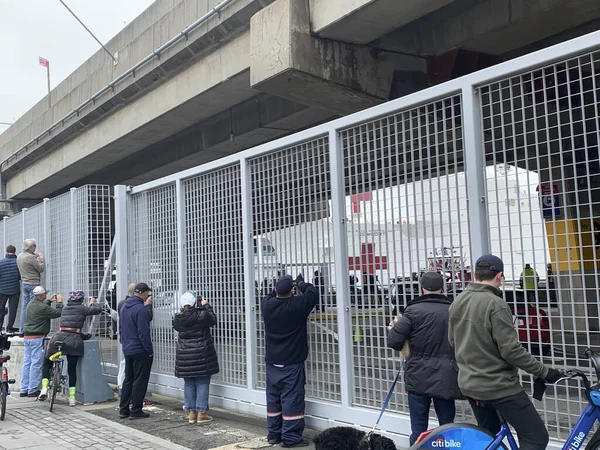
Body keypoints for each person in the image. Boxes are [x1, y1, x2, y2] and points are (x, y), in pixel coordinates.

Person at [448, 255, 563, 450]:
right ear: (500, 275)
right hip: (498, 386)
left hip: (470, 385)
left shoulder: (457, 301)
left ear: (475, 274)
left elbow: (452, 341)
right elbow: (512, 351)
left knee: (488, 436)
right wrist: (544, 372)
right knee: (536, 437)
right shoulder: (496, 305)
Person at [387, 271, 462, 445]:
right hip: (447, 376)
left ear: (421, 288)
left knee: (419, 430)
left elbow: (393, 340)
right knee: (447, 427)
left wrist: (395, 328)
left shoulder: (412, 311)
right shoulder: (453, 310)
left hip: (418, 376)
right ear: (442, 288)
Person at [261, 274, 319, 448]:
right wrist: (300, 283)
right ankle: (291, 437)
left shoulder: (267, 305)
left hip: (272, 362)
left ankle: (274, 434)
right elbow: (313, 293)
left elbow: (269, 295)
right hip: (292, 362)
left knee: (273, 399)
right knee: (292, 399)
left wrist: (280, 287)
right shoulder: (297, 306)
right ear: (292, 291)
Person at [38, 290, 101, 405]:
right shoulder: (83, 308)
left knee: (47, 361)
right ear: (81, 300)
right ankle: (72, 398)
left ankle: (44, 388)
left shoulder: (65, 308)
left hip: (59, 338)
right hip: (74, 341)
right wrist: (93, 302)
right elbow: (97, 310)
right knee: (72, 369)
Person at [173, 291, 219, 424]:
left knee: (189, 383)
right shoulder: (202, 315)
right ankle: (201, 413)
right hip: (202, 354)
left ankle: (191, 413)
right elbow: (213, 319)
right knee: (203, 382)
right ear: (195, 303)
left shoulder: (177, 318)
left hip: (185, 356)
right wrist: (206, 305)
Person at [119, 282, 153, 420]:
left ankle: (123, 409)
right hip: (140, 349)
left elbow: (121, 329)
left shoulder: (124, 307)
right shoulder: (141, 309)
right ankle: (136, 409)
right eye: (148, 294)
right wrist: (149, 350)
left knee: (129, 379)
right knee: (140, 380)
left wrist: (124, 344)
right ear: (143, 293)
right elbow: (143, 333)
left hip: (127, 348)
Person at [20, 286, 62, 398]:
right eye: (45, 294)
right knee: (36, 363)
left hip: (27, 337)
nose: (46, 296)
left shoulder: (30, 304)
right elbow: (58, 313)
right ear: (41, 295)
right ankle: (32, 389)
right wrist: (59, 302)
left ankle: (24, 389)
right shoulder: (41, 307)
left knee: (27, 363)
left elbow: (42, 309)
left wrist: (49, 301)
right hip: (36, 337)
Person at [17, 239, 45, 332]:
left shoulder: (20, 256)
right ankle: (32, 329)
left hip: (24, 283)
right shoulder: (30, 257)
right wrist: (41, 259)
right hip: (33, 284)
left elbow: (29, 259)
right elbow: (40, 269)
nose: (35, 248)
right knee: (34, 307)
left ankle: (22, 330)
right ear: (30, 247)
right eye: (34, 246)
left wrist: (35, 256)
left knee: (25, 307)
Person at [0, 245, 21, 332]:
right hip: (14, 290)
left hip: (2, 289)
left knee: (0, 308)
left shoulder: (1, 262)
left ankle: (0, 326)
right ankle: (10, 327)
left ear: (6, 251)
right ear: (15, 251)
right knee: (13, 309)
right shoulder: (18, 262)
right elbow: (20, 276)